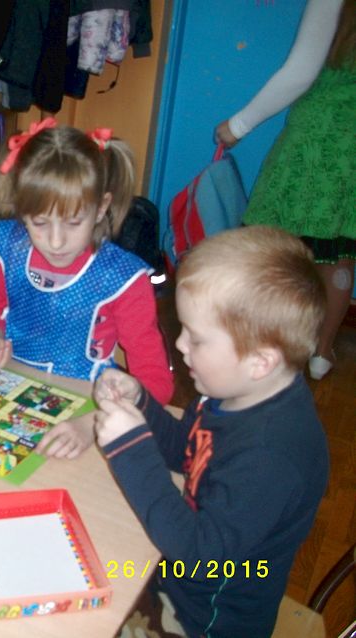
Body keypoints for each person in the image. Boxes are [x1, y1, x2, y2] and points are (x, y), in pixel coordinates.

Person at [91, 226, 328, 638]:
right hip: (175, 576)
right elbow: (189, 450)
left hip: (204, 620)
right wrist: (143, 405)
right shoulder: (230, 392)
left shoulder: (272, 457)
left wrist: (131, 452)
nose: (180, 345)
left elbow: (199, 555)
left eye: (196, 339)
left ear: (260, 361)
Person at [0, 118, 173, 458]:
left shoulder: (122, 279)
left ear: (102, 209)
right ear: (22, 212)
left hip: (90, 412)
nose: (55, 241)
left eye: (73, 222)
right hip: (11, 390)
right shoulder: (11, 246)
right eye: (39, 222)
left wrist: (94, 423)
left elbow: (157, 385)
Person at [215, 0, 355, 380]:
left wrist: (239, 125)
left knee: (277, 246)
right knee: (340, 253)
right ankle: (321, 352)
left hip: (319, 139)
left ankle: (260, 344)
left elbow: (300, 72)